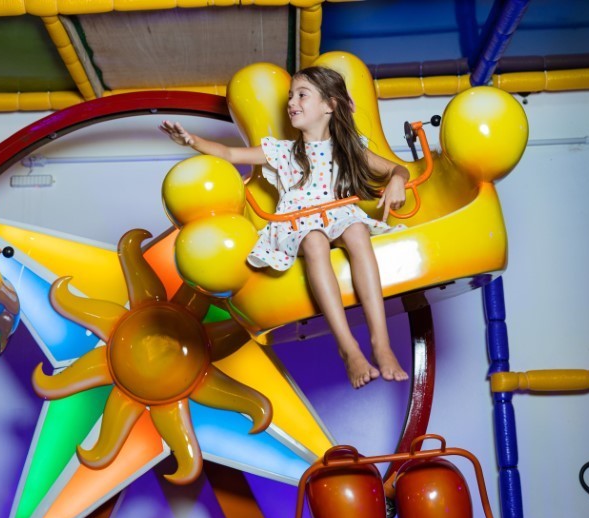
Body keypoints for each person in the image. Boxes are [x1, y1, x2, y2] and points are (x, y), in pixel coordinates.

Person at [160, 66, 409, 388]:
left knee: (358, 231)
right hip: (298, 222)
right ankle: (348, 348)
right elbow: (229, 152)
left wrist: (397, 181)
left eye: (302, 95)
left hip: (340, 214)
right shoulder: (282, 151)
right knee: (315, 239)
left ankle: (381, 343)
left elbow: (397, 169)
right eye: (290, 96)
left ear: (329, 105)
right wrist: (192, 140)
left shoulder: (349, 148)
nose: (291, 102)